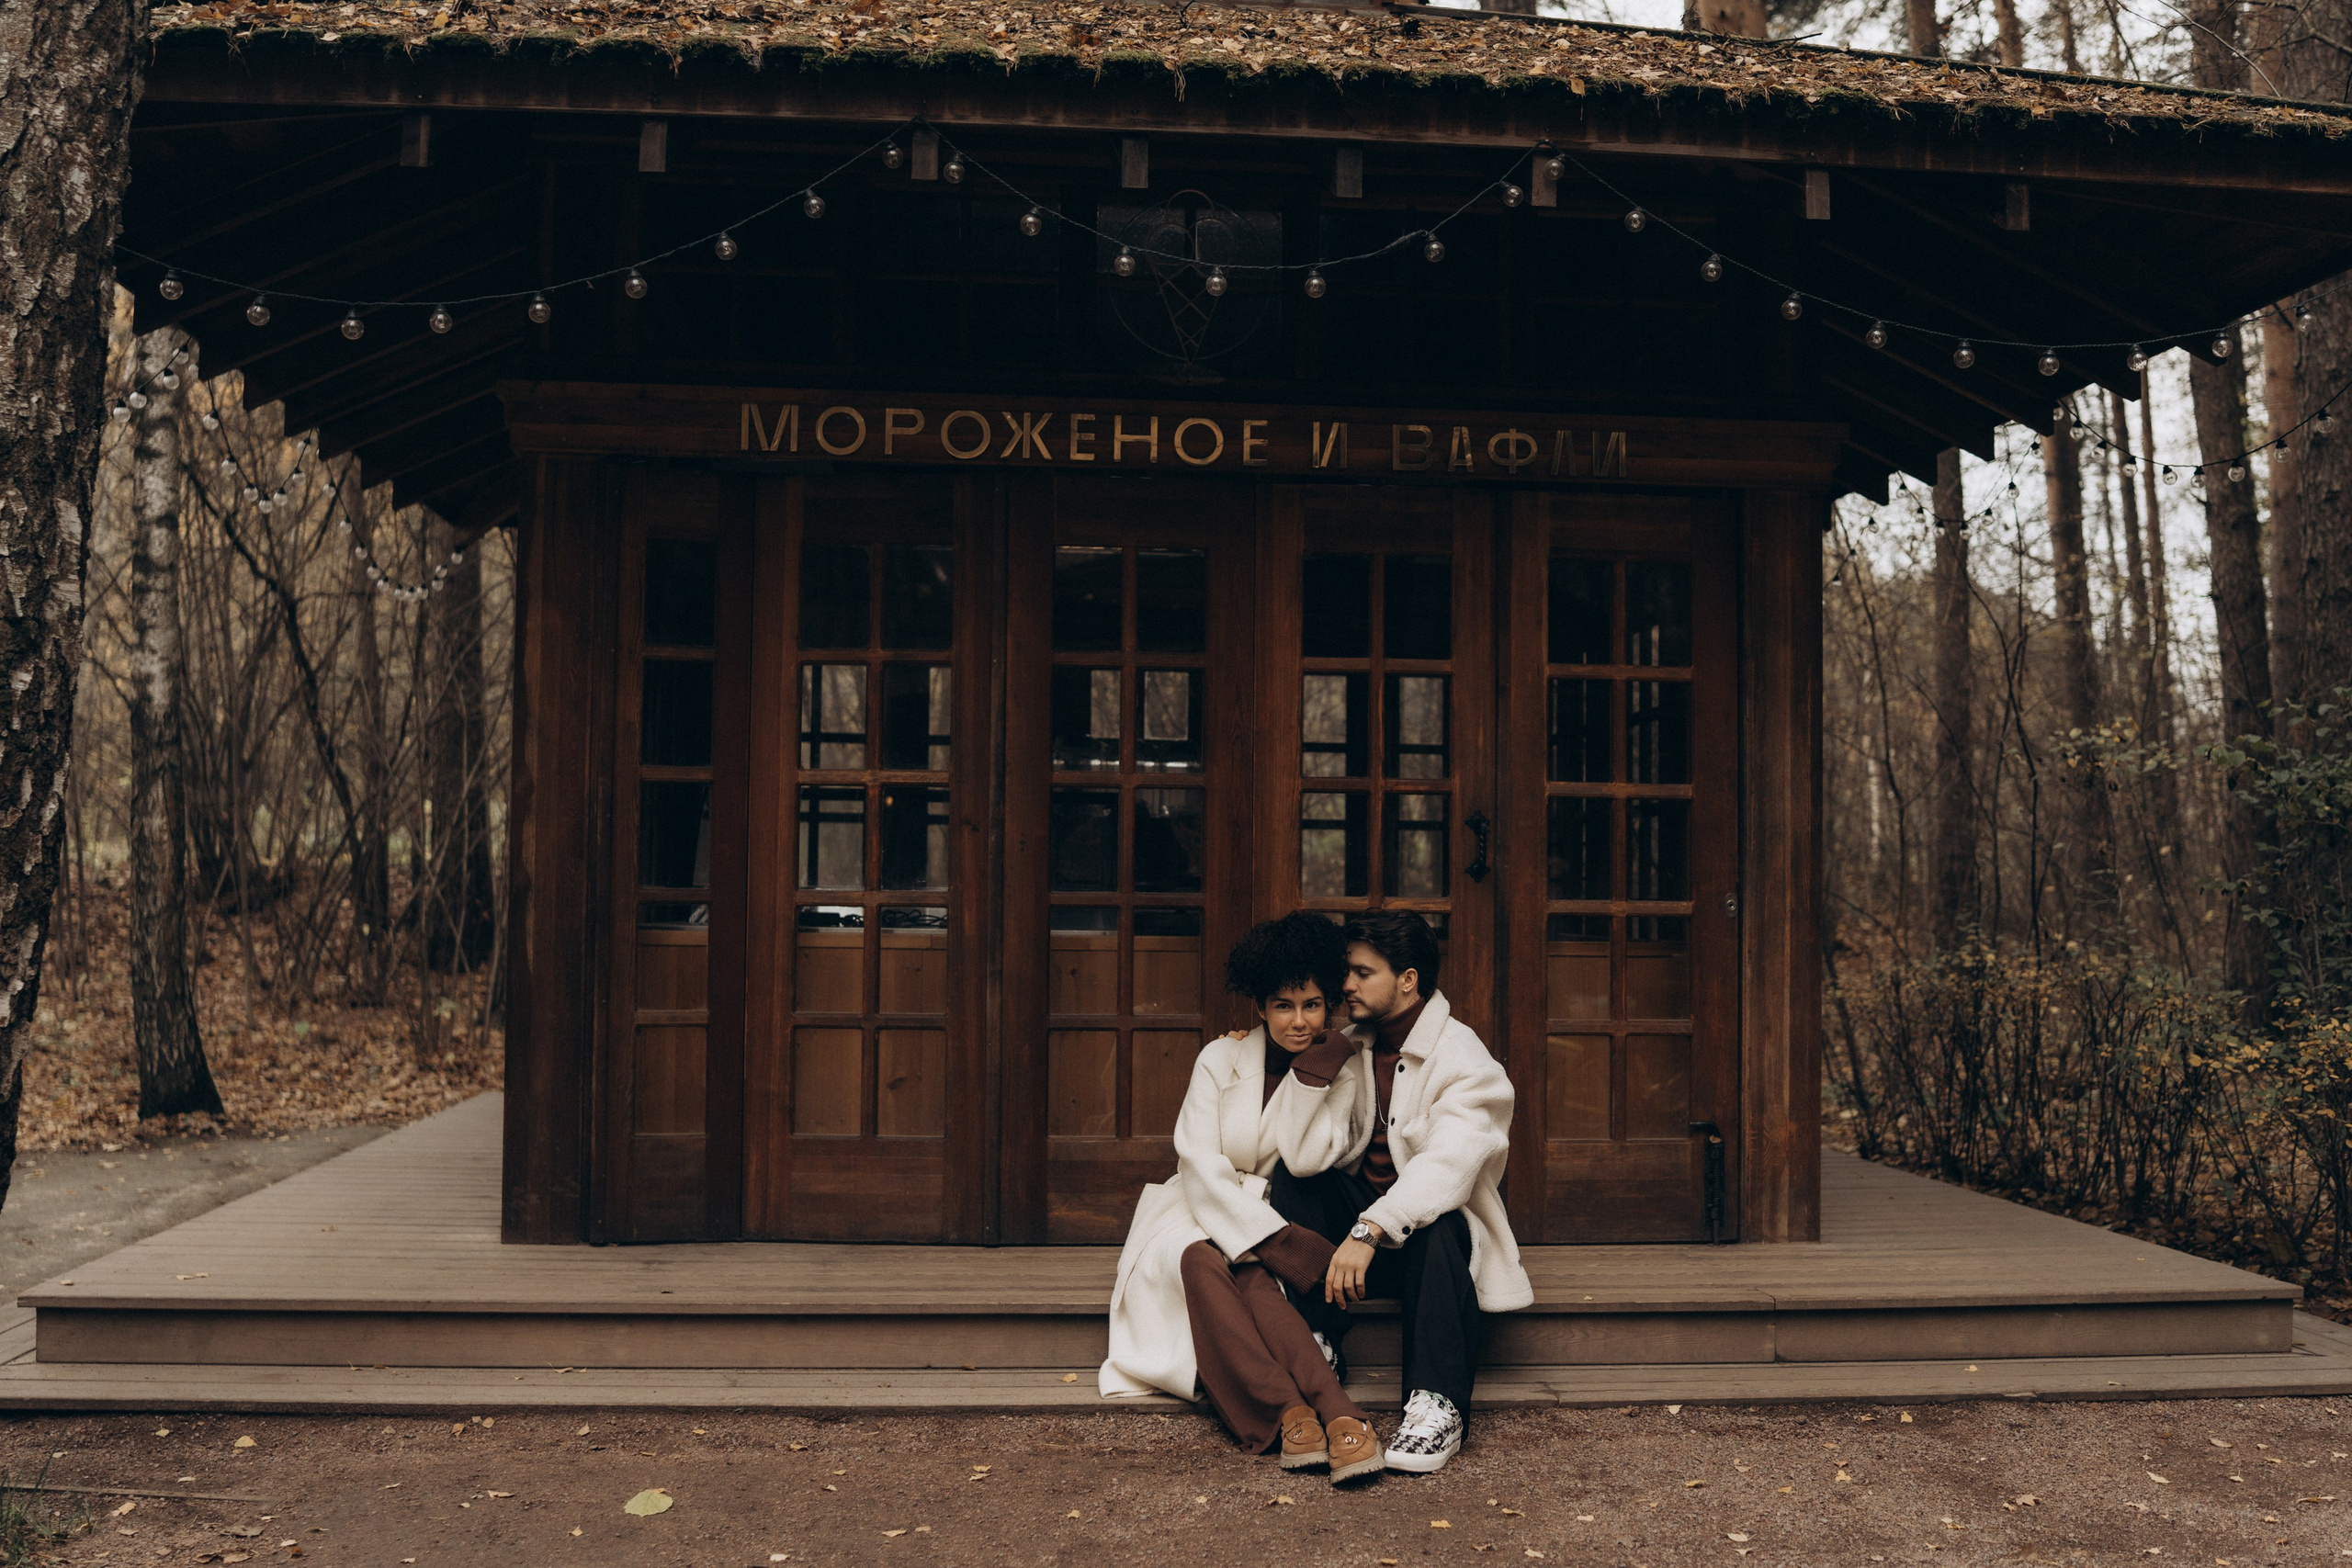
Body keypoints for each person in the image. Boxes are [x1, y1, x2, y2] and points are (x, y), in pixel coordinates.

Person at [1099, 913, 1385, 1482]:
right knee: (1199, 1258)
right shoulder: (1218, 1058)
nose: (1298, 1021)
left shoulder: (1343, 1071)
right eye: (1283, 1006)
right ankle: (1305, 1408)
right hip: (1197, 1208)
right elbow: (1200, 1162)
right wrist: (1271, 1241)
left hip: (1277, 1203)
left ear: (1329, 1005)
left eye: (1311, 1005)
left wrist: (1313, 1074)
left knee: (1247, 1277)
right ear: (1260, 1007)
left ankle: (1314, 1411)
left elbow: (1305, 1161)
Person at [1263, 908, 1531, 1474]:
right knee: (1293, 1182)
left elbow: (1449, 1163)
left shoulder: (1464, 1058)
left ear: (1407, 979)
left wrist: (1370, 1228)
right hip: (1353, 1247)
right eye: (1347, 972)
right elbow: (1302, 1155)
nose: (1346, 985)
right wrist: (1318, 1062)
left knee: (1442, 1226)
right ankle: (1320, 1342)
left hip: (1419, 1244)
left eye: (1362, 973)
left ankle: (1437, 1404)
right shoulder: (1351, 1045)